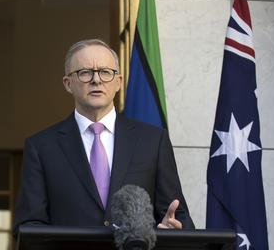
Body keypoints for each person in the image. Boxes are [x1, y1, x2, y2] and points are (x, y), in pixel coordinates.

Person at [14, 39, 194, 232]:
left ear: (119, 82)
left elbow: (178, 214)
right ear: (68, 84)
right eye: (85, 73)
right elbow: (29, 225)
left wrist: (173, 229)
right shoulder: (42, 146)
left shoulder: (152, 141)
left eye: (105, 72)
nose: (96, 80)